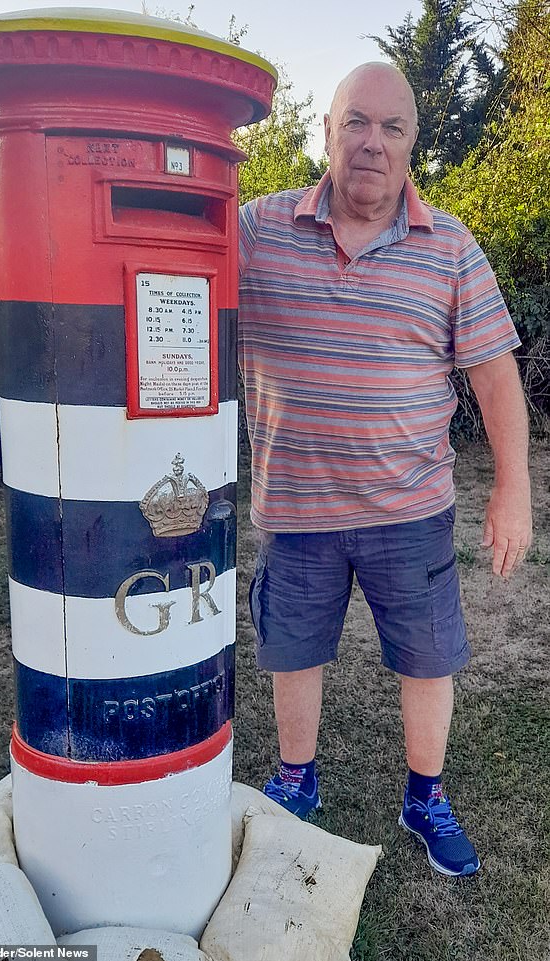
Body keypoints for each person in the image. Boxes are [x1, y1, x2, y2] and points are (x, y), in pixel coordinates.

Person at [238, 62, 532, 878]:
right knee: (292, 651)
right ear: (326, 133)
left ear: (412, 143)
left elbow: (495, 373)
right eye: (355, 122)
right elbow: (169, 281)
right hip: (295, 509)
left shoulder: (451, 245)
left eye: (392, 126)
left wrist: (513, 489)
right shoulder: (257, 231)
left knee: (428, 657)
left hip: (413, 509)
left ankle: (425, 796)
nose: (372, 141)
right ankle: (296, 781)